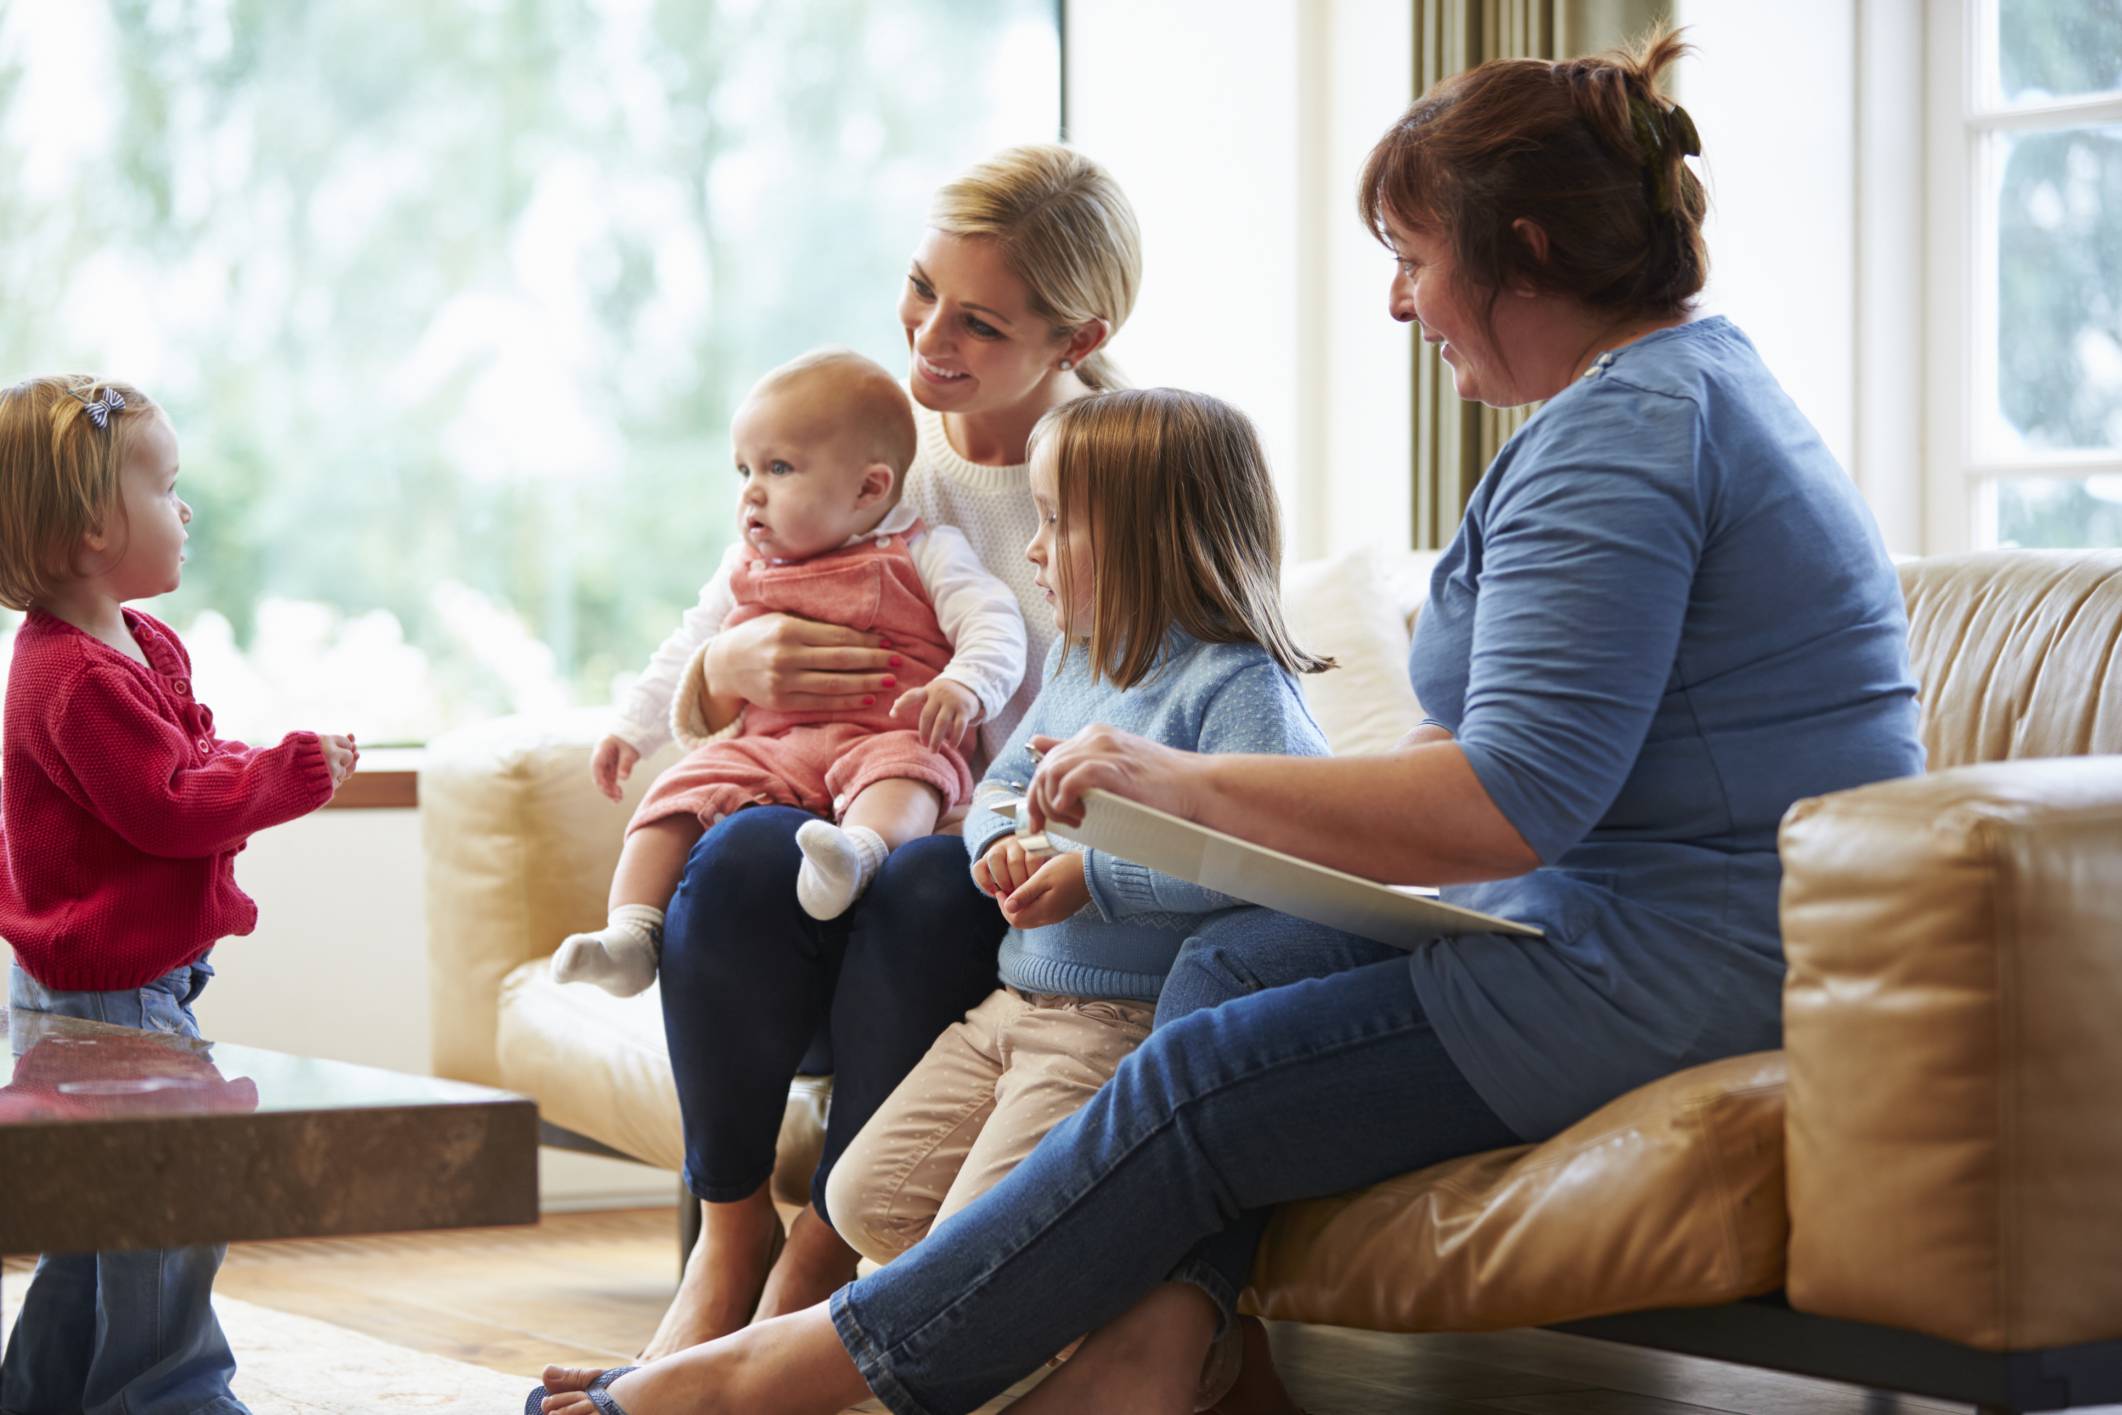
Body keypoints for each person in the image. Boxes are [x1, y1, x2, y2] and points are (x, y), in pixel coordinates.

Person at [521, 26, 1929, 1415]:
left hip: (1657, 966)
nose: (1397, 304)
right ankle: (1158, 1352)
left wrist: (1177, 783)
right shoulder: (1646, 402)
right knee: (1232, 959)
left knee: (1197, 1076)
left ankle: (782, 1374)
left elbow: (1504, 803)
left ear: (1532, 256)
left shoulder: (1621, 442)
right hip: (1614, 923)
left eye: (1414, 257)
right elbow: (1490, 769)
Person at [633, 144, 1142, 1361]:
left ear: (1078, 336)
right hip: (825, 810)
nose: (930, 338)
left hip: (995, 853)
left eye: (977, 320)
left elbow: (1155, 698)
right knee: (748, 851)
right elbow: (714, 625)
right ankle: (729, 1228)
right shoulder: (866, 436)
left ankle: (825, 1247)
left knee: (925, 879)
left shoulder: (1120, 469)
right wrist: (720, 674)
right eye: (922, 289)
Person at [823, 390, 1330, 1304]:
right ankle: (1046, 1319)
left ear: (1151, 535)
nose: (1031, 548)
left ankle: (1033, 1354)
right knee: (862, 1203)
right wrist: (1005, 845)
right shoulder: (1077, 662)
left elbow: (1266, 860)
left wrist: (1093, 877)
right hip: (1014, 1005)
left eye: (1056, 521)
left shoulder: (1239, 685)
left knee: (960, 1253)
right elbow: (999, 791)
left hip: (1114, 1033)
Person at [0, 375, 358, 1415]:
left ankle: (40, 1388)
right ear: (82, 538)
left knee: (105, 1209)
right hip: (100, 991)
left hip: (125, 978)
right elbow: (166, 803)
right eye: (163, 488)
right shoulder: (71, 678)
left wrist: (258, 764)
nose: (186, 507)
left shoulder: (145, 643)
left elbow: (191, 757)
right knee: (169, 1193)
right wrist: (286, 774)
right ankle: (169, 1393)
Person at [549, 350, 1026, 996]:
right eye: (744, 468)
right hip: (771, 748)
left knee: (913, 776)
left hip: (882, 732)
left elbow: (994, 623)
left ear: (869, 488)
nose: (751, 490)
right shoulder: (743, 565)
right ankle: (632, 933)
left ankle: (856, 854)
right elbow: (687, 642)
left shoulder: (926, 549)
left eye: (778, 468)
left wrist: (966, 684)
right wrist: (631, 729)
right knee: (680, 792)